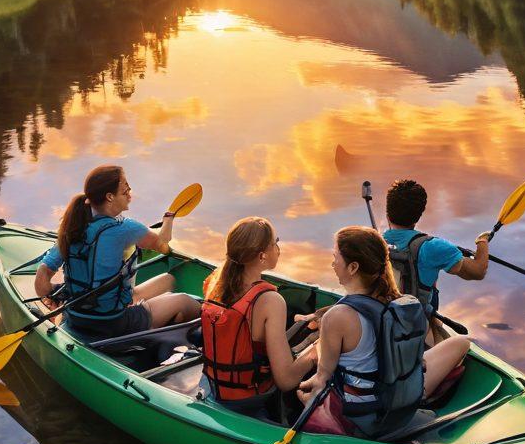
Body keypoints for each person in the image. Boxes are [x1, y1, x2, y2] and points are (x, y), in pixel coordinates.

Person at [298, 226, 471, 438]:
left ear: (352, 267)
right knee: (461, 342)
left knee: (303, 393)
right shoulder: (403, 305)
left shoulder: (337, 316)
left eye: (335, 257)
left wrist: (304, 392)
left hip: (362, 416)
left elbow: (321, 380)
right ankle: (428, 399)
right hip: (401, 404)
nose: (333, 263)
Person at [34, 165, 200, 338]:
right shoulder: (126, 228)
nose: (130, 194)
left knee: (168, 279)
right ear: (110, 197)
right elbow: (163, 242)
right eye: (125, 190)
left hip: (77, 317)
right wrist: (168, 219)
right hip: (114, 323)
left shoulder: (72, 228)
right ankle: (156, 338)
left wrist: (56, 296)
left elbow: (42, 276)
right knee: (186, 302)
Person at [202, 217, 317, 419]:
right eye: (275, 242)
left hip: (214, 385)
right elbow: (286, 380)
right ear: (262, 255)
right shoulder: (270, 301)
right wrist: (319, 349)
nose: (278, 248)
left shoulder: (214, 284)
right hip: (248, 399)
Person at [384, 178, 490, 334]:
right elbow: (478, 271)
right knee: (463, 344)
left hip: (384, 318)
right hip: (414, 326)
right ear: (418, 216)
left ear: (387, 212)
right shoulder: (434, 247)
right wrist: (482, 241)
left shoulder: (374, 241)